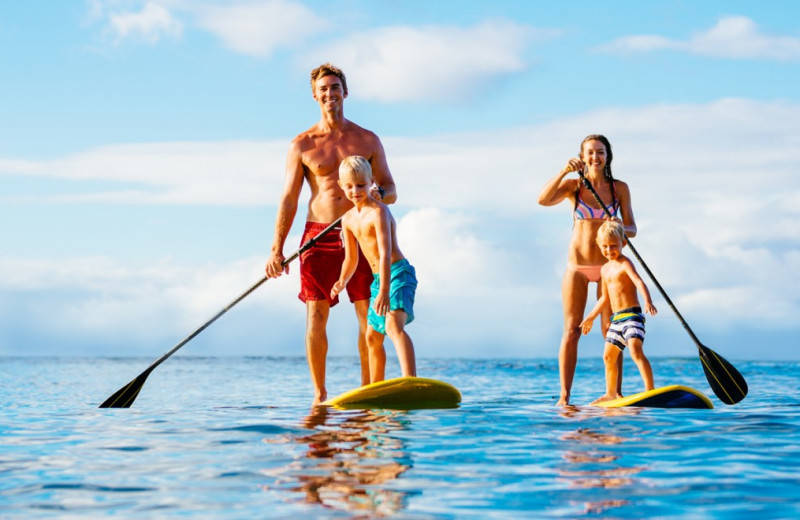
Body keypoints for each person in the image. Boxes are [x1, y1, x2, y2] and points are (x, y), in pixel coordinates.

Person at [265, 64, 397, 405]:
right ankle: (320, 395)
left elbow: (391, 188)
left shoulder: (367, 140)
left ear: (345, 92)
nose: (329, 93)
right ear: (314, 95)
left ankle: (369, 389)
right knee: (316, 314)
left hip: (360, 231)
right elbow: (289, 198)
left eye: (335, 87)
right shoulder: (302, 145)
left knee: (367, 312)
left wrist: (377, 196)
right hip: (317, 236)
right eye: (323, 89)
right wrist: (276, 249)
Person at [538, 135, 637, 405]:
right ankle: (564, 397)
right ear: (582, 157)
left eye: (600, 152)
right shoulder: (574, 186)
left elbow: (633, 230)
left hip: (610, 268)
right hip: (578, 267)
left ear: (608, 156)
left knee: (612, 330)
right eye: (590, 153)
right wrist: (563, 171)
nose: (595, 157)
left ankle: (614, 394)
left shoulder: (620, 189)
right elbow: (543, 200)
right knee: (572, 330)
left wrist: (620, 226)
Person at [331, 156, 417, 383]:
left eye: (361, 185)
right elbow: (351, 258)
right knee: (371, 337)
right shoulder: (347, 219)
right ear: (341, 185)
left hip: (397, 274)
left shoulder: (379, 212)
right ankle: (376, 387)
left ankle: (410, 380)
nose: (355, 190)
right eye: (349, 186)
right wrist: (341, 281)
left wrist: (384, 291)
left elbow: (385, 253)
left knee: (392, 326)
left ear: (372, 182)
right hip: (379, 280)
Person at [580, 221, 657, 403]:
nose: (609, 250)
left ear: (623, 243)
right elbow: (604, 298)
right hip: (616, 321)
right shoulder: (605, 269)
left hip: (632, 316)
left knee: (635, 350)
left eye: (613, 245)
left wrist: (647, 301)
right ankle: (611, 393)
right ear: (599, 245)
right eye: (605, 246)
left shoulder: (625, 263)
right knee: (608, 356)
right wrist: (590, 317)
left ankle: (650, 390)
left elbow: (639, 282)